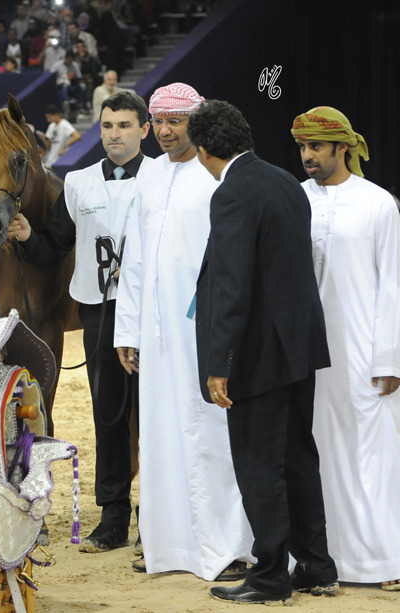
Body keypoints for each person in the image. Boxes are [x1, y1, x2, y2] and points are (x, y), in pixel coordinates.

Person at [188, 99, 339, 605]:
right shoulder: (283, 182)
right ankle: (316, 567)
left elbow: (232, 285)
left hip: (259, 354)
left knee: (259, 466)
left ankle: (272, 576)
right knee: (298, 457)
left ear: (204, 150)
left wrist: (218, 363)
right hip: (298, 348)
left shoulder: (231, 193)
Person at [114, 83, 253, 581]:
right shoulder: (148, 175)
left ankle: (230, 546)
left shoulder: (218, 174)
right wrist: (127, 329)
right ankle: (168, 544)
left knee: (213, 432)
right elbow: (134, 257)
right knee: (159, 434)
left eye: (177, 121)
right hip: (155, 334)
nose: (168, 131)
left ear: (196, 122)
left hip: (206, 327)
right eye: (161, 122)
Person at [10, 91, 148, 553]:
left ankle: (157, 517)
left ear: (144, 130)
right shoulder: (78, 182)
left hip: (154, 311)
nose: (115, 134)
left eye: (125, 126)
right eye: (108, 126)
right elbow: (55, 249)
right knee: (108, 414)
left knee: (157, 416)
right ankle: (112, 518)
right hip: (100, 311)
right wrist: (30, 238)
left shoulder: (166, 179)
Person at [290, 106, 400, 592]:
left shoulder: (378, 204)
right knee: (314, 453)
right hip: (308, 354)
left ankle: (384, 560)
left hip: (362, 353)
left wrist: (389, 357)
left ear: (343, 148)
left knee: (371, 453)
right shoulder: (295, 199)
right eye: (302, 147)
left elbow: (391, 286)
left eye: (316, 146)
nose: (307, 156)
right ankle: (320, 557)